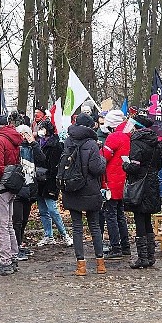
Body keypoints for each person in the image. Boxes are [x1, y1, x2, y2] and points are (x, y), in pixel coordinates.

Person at [61, 114, 107, 276]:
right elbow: (96, 168)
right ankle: (100, 264)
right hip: (90, 189)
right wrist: (103, 160)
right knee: (94, 226)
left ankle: (81, 266)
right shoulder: (92, 144)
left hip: (72, 188)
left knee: (77, 227)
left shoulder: (68, 141)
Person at [123, 116, 162, 268]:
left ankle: (142, 258)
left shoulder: (137, 142)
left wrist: (125, 165)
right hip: (152, 183)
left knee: (139, 218)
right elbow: (159, 165)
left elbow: (134, 167)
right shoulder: (155, 142)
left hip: (139, 184)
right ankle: (150, 256)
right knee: (147, 219)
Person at [0, 116, 23, 276]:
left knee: (2, 225)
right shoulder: (14, 138)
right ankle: (13, 256)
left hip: (0, 186)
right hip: (12, 185)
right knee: (8, 224)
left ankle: (6, 261)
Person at [35, 120, 73, 247]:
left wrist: (53, 183)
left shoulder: (56, 145)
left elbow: (55, 167)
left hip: (50, 181)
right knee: (43, 210)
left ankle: (64, 235)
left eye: (42, 128)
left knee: (52, 209)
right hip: (39, 180)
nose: (40, 130)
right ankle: (48, 235)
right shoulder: (38, 143)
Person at [101, 109, 131, 260]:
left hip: (112, 181)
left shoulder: (114, 137)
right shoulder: (128, 135)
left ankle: (116, 246)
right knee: (120, 215)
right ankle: (125, 246)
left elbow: (104, 157)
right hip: (123, 181)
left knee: (110, 215)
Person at [13, 125, 45, 260]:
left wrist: (34, 143)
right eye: (23, 133)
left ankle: (19, 244)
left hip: (30, 187)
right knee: (17, 220)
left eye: (27, 133)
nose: (25, 136)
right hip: (18, 188)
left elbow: (42, 160)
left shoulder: (33, 147)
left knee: (24, 219)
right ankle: (16, 246)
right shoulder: (16, 147)